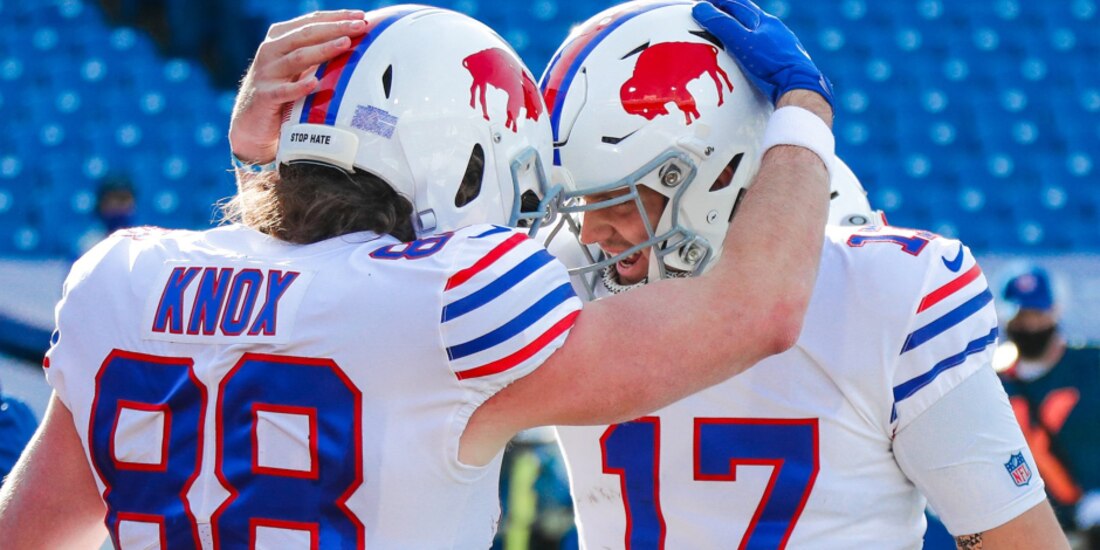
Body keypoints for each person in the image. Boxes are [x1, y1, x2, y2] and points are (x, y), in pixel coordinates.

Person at [0, 5, 833, 548]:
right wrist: (802, 109)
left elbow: (30, 533)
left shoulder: (124, 275)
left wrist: (262, 171)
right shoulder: (453, 304)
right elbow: (757, 310)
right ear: (470, 164)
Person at [538, 0, 1068, 548]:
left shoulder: (882, 291)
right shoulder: (890, 289)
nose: (590, 232)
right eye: (578, 201)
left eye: (617, 199)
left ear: (719, 171)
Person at [997, 267, 1100, 545]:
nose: (1030, 326)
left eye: (1036, 315)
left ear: (1055, 311)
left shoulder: (1091, 366)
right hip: (1035, 531)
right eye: (1021, 317)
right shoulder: (994, 383)